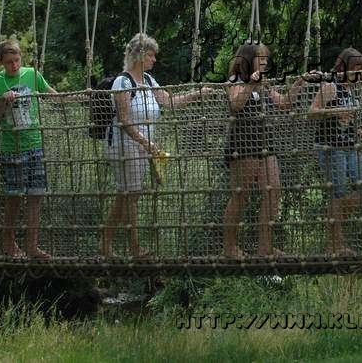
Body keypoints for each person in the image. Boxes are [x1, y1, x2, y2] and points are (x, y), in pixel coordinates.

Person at [102, 32, 209, 257]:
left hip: (141, 145)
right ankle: (134, 248)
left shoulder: (149, 81)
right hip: (124, 145)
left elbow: (168, 101)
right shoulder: (123, 82)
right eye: (151, 55)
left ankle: (105, 244)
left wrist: (196, 95)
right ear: (140, 57)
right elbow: (124, 120)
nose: (154, 60)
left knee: (126, 195)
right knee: (131, 194)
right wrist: (145, 142)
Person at [222, 43, 305, 258]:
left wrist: (299, 84)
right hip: (242, 145)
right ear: (248, 59)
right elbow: (236, 104)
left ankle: (265, 247)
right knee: (240, 196)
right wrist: (251, 84)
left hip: (265, 145)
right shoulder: (235, 81)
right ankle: (230, 248)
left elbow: (285, 104)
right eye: (261, 58)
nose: (265, 62)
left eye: (266, 58)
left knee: (273, 191)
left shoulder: (265, 85)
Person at [0, 39, 62, 258]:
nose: (14, 66)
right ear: (0, 63)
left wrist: (80, 98)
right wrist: (3, 102)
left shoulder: (32, 75)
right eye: (8, 63)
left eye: (16, 60)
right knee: (13, 198)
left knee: (35, 196)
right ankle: (8, 245)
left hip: (34, 144)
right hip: (11, 147)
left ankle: (32, 247)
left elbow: (53, 95)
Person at [309, 47, 362, 255]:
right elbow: (311, 113)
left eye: (361, 70)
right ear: (344, 67)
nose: (359, 73)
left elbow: (346, 122)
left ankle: (331, 220)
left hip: (349, 145)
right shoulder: (331, 86)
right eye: (356, 68)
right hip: (330, 147)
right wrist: (337, 111)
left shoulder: (351, 90)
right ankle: (335, 245)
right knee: (338, 194)